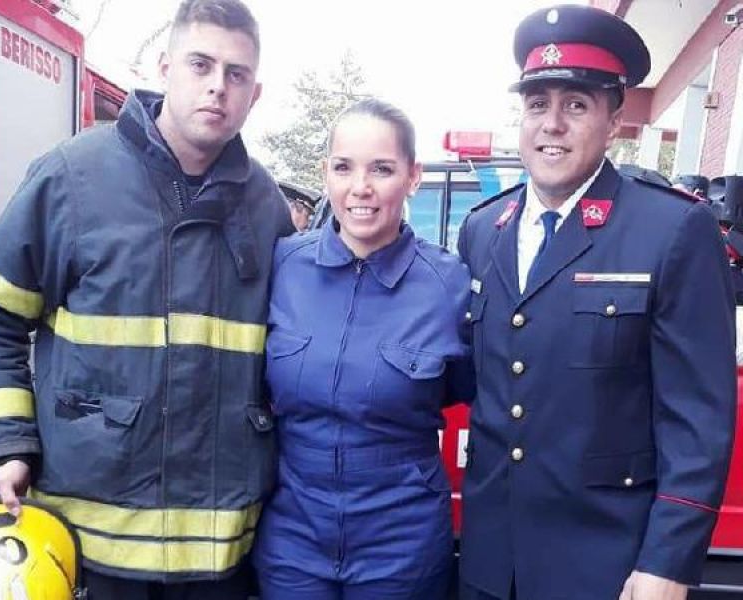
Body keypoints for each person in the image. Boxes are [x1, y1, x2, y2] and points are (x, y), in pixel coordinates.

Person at [0, 1, 293, 598]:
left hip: (221, 558)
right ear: (165, 67)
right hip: (93, 550)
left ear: (254, 93)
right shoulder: (73, 177)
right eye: (200, 64)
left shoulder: (266, 207)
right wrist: (9, 445)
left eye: (236, 74)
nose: (217, 86)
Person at [457, 5, 736, 600]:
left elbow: (698, 419)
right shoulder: (483, 230)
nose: (552, 124)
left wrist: (669, 563)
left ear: (614, 122)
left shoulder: (671, 230)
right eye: (538, 104)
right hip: (490, 562)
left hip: (606, 567)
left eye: (577, 105)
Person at [252, 98, 473, 599]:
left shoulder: (449, 286)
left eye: (382, 169)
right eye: (344, 167)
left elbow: (470, 387)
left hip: (402, 543)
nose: (361, 187)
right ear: (325, 173)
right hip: (293, 539)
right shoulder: (282, 267)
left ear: (413, 177)